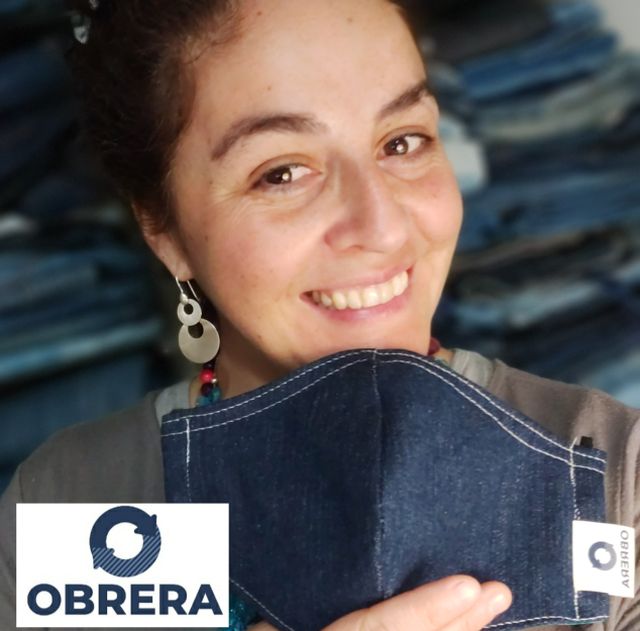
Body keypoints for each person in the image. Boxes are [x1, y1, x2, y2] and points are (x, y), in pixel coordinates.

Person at [0, 1, 638, 630]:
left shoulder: (617, 473)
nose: (382, 229)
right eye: (281, 173)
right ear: (163, 228)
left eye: (403, 141)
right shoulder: (70, 502)